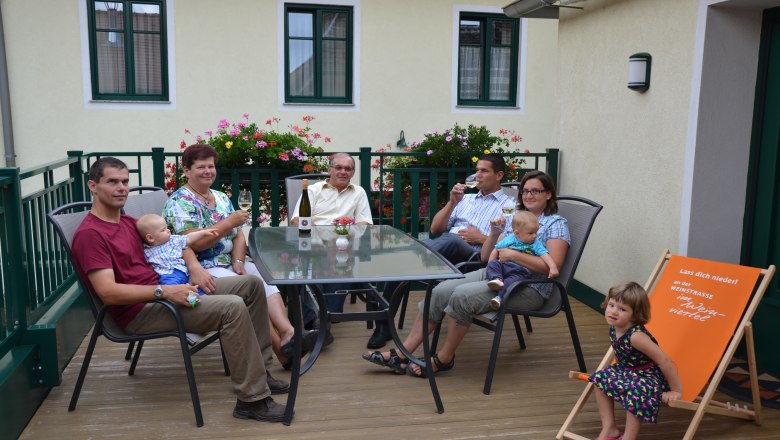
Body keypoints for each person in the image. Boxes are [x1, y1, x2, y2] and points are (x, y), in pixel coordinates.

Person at [71, 157, 288, 422]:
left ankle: (261, 374)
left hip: (171, 289)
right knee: (232, 307)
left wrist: (193, 266)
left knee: (251, 285)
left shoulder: (128, 223)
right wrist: (164, 292)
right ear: (93, 186)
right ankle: (252, 401)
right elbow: (108, 293)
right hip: (142, 310)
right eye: (112, 182)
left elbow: (172, 242)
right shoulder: (91, 234)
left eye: (125, 181)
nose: (122, 188)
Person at [362, 170, 569, 378]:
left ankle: (444, 358)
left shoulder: (555, 223)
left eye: (536, 191)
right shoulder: (516, 219)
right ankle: (402, 353)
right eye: (525, 191)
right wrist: (494, 235)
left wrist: (514, 255)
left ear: (549, 194)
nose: (528, 195)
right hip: (494, 273)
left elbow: (551, 267)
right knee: (440, 291)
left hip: (527, 287)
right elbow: (487, 258)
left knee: (462, 296)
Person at [163, 144, 316, 370]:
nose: (208, 171)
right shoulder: (180, 201)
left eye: (211, 166)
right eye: (201, 167)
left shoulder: (221, 197)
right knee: (250, 288)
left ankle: (288, 334)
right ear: (186, 171)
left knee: (266, 278)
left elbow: (238, 237)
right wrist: (229, 223)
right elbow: (193, 243)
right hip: (203, 267)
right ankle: (284, 353)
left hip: (229, 263)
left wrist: (238, 261)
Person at [372, 153, 517, 349]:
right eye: (477, 170)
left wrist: (480, 238)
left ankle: (405, 255)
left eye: (484, 171)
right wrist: (452, 202)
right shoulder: (466, 199)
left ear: (499, 175)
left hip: (475, 258)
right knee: (407, 265)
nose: (478, 175)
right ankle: (383, 327)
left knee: (448, 239)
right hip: (446, 251)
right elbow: (435, 229)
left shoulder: (509, 206)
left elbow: (508, 243)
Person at [290, 152, 372, 344]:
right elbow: (297, 220)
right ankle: (318, 321)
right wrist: (321, 234)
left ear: (352, 173)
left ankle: (325, 319)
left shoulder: (358, 192)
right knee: (308, 268)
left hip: (343, 244)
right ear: (330, 170)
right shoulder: (314, 190)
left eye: (348, 169)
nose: (343, 172)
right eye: (339, 167)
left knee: (342, 260)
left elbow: (364, 224)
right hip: (313, 244)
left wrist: (343, 233)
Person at [589, 281, 682, 440]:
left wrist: (676, 390)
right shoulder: (614, 326)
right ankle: (609, 428)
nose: (613, 312)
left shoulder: (636, 336)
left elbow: (665, 361)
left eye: (622, 309)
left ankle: (628, 437)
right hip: (628, 371)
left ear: (635, 314)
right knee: (599, 379)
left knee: (637, 392)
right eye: (611, 305)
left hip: (650, 377)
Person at [486, 210, 559, 310]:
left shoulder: (535, 244)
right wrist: (489, 264)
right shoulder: (510, 239)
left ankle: (498, 298)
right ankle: (497, 279)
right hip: (504, 266)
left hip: (520, 272)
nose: (535, 236)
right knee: (493, 264)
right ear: (517, 233)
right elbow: (496, 249)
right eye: (531, 233)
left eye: (536, 232)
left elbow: (545, 255)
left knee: (511, 283)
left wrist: (553, 267)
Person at [136, 213, 219, 296]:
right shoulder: (146, 250)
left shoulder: (173, 240)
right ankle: (183, 302)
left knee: (195, 288)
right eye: (163, 230)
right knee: (172, 290)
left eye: (167, 228)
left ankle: (201, 296)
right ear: (150, 238)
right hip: (168, 275)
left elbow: (189, 238)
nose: (168, 230)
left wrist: (202, 233)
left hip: (183, 271)